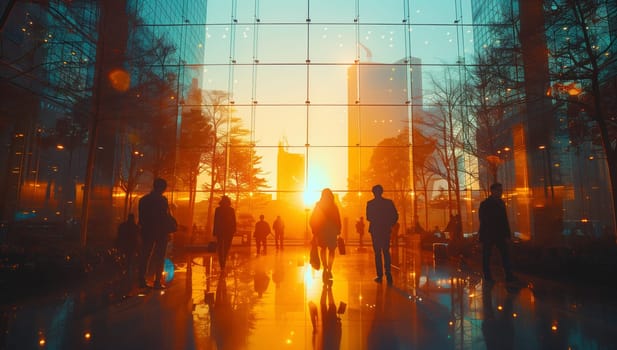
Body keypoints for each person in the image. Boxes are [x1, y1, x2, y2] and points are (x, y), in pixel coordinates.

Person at [478, 182, 516, 283]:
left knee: (503, 254)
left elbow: (504, 220)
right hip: (490, 234)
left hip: (497, 234)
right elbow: (483, 220)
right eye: (499, 190)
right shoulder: (486, 204)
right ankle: (489, 276)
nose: (500, 192)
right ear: (493, 191)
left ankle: (508, 275)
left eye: (501, 190)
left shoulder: (500, 203)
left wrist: (507, 234)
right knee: (488, 255)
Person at [138, 178, 172, 289]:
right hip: (161, 232)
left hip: (147, 231)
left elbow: (141, 218)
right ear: (163, 188)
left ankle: (141, 280)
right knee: (160, 256)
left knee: (145, 255)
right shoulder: (162, 200)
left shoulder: (143, 200)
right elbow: (164, 217)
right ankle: (157, 282)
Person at [366, 184, 399, 285]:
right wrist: (389, 224)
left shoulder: (370, 204)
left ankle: (379, 275)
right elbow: (395, 216)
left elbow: (368, 217)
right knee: (386, 251)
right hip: (385, 229)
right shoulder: (388, 203)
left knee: (377, 253)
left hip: (375, 230)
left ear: (373, 192)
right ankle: (388, 272)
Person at [310, 188, 342, 283]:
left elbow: (313, 219)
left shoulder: (319, 206)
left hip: (322, 231)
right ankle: (329, 269)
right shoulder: (334, 206)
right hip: (332, 231)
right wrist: (338, 230)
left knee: (323, 249)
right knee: (332, 250)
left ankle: (325, 268)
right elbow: (337, 219)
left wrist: (315, 231)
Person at [213, 195, 236, 271]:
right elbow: (234, 221)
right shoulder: (231, 210)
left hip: (220, 230)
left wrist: (214, 231)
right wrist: (234, 230)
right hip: (229, 231)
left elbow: (215, 221)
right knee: (226, 246)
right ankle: (224, 260)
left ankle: (222, 261)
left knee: (220, 246)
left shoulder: (218, 209)